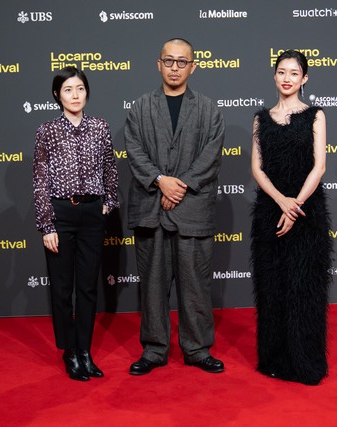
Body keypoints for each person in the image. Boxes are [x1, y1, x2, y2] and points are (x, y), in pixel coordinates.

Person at [124, 38, 225, 375]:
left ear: (192, 67)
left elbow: (211, 155)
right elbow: (134, 150)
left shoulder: (209, 109)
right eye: (169, 61)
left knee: (196, 285)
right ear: (159, 64)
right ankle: (154, 350)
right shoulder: (140, 107)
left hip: (192, 210)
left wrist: (178, 186)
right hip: (150, 210)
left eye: (182, 62)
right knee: (152, 286)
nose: (175, 67)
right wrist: (159, 181)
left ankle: (197, 349)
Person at [250, 49, 333, 385]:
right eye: (282, 72)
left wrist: (295, 204)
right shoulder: (261, 119)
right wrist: (281, 201)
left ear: (304, 78)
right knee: (272, 288)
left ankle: (304, 362)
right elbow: (257, 169)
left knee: (304, 289)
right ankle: (274, 359)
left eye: (294, 73)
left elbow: (319, 166)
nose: (287, 78)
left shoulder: (315, 115)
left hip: (306, 213)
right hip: (269, 212)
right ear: (274, 75)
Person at [33, 66, 119, 381]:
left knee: (87, 287)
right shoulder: (47, 130)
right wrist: (47, 225)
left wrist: (110, 201)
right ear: (57, 95)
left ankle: (84, 350)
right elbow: (40, 179)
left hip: (92, 213)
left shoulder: (100, 126)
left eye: (80, 89)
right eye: (68, 90)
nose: (75, 95)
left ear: (87, 92)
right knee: (62, 289)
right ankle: (69, 351)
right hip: (61, 214)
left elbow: (110, 166)